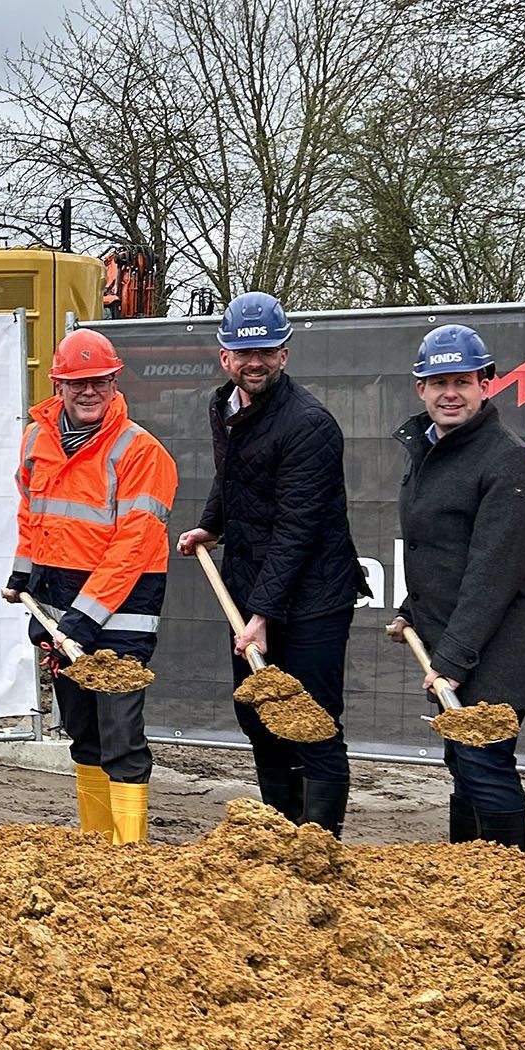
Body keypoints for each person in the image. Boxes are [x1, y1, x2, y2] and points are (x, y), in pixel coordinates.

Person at [176, 292, 363, 836]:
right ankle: (281, 839)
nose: (253, 362)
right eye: (243, 352)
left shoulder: (309, 424)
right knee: (260, 715)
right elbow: (233, 476)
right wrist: (212, 524)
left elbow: (297, 529)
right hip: (254, 586)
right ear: (225, 357)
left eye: (265, 351)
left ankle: (319, 846)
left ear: (285, 353)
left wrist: (261, 616)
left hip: (313, 596)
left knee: (310, 722)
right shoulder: (227, 408)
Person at [382, 324, 525, 850]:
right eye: (439, 383)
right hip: (458, 636)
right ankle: (469, 873)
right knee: (463, 759)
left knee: (484, 761)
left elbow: (493, 572)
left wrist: (453, 661)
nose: (450, 393)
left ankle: (510, 881)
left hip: (503, 642)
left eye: (462, 381)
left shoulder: (507, 460)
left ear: (485, 384)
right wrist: (414, 609)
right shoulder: (430, 450)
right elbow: (441, 549)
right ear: (421, 388)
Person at [6, 328, 178, 842]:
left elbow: (134, 545)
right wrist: (23, 572)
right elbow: (32, 513)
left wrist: (85, 616)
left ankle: (129, 852)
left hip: (121, 616)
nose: (88, 392)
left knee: (120, 734)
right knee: (82, 731)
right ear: (57, 385)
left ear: (114, 382)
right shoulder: (36, 439)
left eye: (99, 381)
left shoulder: (141, 451)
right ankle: (97, 845)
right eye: (76, 382)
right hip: (60, 612)